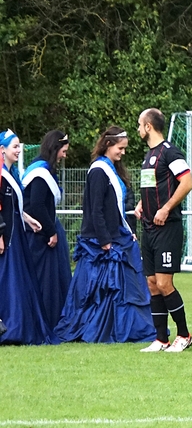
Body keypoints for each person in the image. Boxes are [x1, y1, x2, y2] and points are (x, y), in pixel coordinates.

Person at [56, 127, 155, 343]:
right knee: (100, 290)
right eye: (121, 148)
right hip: (101, 240)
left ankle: (120, 327)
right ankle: (99, 328)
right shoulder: (99, 171)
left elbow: (114, 208)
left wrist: (127, 231)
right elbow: (96, 209)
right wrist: (104, 240)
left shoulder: (111, 169)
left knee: (120, 288)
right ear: (109, 145)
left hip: (115, 235)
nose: (123, 152)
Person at [135, 108, 192, 353]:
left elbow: (187, 182)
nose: (138, 129)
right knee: (152, 283)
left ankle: (184, 335)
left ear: (148, 126)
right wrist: (142, 203)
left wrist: (167, 208)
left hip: (167, 228)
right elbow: (152, 185)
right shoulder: (149, 155)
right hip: (148, 227)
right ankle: (161, 338)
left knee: (164, 282)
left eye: (140, 124)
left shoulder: (170, 152)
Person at [0, 129, 54, 345]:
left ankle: (17, 324)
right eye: (14, 146)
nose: (18, 150)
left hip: (16, 234)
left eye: (18, 146)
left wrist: (28, 219)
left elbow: (13, 206)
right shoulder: (2, 175)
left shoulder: (10, 174)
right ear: (2, 149)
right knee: (8, 279)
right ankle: (10, 326)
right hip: (7, 235)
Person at [22, 130, 72, 329]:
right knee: (46, 280)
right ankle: (47, 321)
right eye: (63, 151)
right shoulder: (41, 173)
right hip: (39, 235)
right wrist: (51, 231)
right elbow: (37, 205)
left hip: (43, 231)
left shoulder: (43, 169)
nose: (64, 155)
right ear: (55, 148)